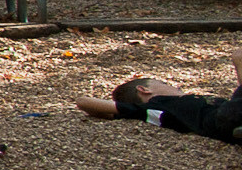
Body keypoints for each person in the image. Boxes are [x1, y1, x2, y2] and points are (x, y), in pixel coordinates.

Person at [76, 55, 242, 141]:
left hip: (229, 122)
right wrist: (124, 111)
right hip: (223, 119)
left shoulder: (155, 112)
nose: (174, 86)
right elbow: (83, 102)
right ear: (144, 90)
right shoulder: (156, 106)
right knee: (238, 56)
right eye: (162, 83)